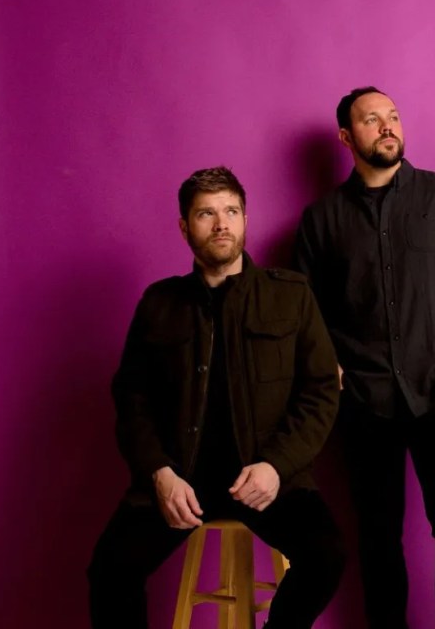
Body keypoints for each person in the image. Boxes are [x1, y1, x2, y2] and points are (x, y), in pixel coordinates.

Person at [88, 166, 344, 629]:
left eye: (231, 211)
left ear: (246, 219)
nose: (222, 223)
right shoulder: (159, 303)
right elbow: (132, 399)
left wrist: (275, 465)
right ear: (185, 227)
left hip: (267, 478)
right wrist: (159, 473)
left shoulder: (291, 295)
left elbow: (321, 390)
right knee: (110, 569)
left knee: (326, 557)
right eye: (206, 213)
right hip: (180, 483)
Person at [294, 87, 435, 629]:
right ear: (346, 137)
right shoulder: (321, 220)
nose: (386, 127)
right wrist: (332, 369)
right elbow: (304, 310)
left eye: (393, 117)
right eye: (370, 120)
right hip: (363, 401)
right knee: (378, 537)